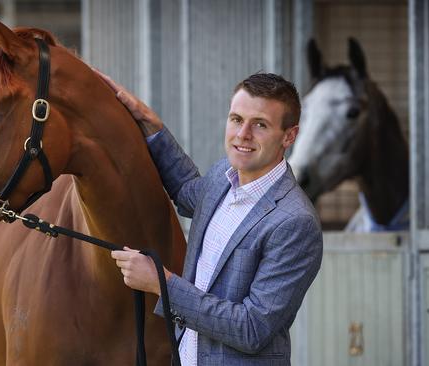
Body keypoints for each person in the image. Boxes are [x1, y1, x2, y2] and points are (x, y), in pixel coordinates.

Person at [106, 72, 323, 365]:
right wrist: (151, 127)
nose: (242, 135)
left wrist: (162, 283)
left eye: (260, 124)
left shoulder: (295, 222)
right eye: (236, 119)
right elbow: (185, 190)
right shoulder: (224, 177)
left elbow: (252, 328)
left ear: (289, 136)